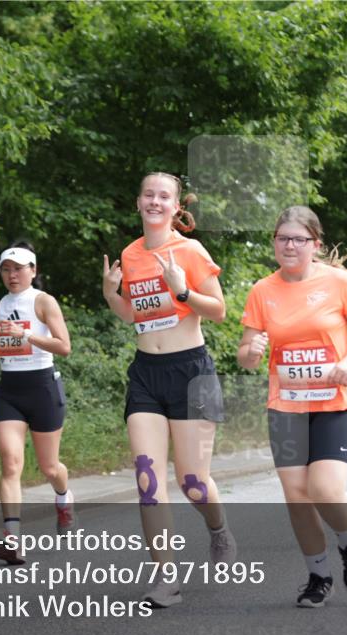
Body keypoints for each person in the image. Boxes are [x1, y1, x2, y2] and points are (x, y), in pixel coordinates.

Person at [102, 172, 236, 608]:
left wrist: (182, 288)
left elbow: (218, 311)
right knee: (147, 478)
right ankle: (166, 578)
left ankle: (218, 530)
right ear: (138, 201)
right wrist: (110, 295)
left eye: (165, 196)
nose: (155, 202)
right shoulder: (130, 254)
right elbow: (134, 315)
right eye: (149, 195)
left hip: (190, 372)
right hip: (146, 373)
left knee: (193, 483)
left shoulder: (190, 251)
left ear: (177, 207)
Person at [238, 205, 347, 608]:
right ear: (274, 243)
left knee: (325, 490)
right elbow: (246, 355)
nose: (290, 246)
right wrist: (252, 350)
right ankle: (318, 576)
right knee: (297, 496)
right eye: (283, 238)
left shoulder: (338, 282)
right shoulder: (262, 291)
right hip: (286, 406)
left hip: (332, 402)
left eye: (299, 239)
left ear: (315, 244)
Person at [0, 243, 75, 565]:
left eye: (18, 268)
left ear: (33, 270)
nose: (12, 275)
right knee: (10, 464)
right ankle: (13, 540)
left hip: (43, 388)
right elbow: (4, 344)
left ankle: (63, 498)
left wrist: (28, 336)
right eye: (6, 269)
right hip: (10, 390)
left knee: (49, 468)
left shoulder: (43, 302)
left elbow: (64, 346)